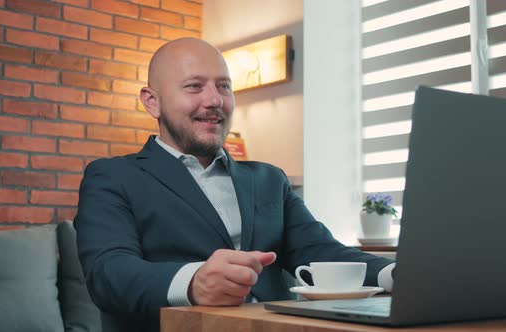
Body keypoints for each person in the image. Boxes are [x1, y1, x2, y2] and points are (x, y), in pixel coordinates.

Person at [75, 37, 395, 332]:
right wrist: (192, 282)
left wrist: (394, 274)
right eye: (194, 86)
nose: (215, 100)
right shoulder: (112, 176)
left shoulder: (269, 178)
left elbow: (319, 250)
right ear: (152, 102)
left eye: (224, 87)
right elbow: (108, 273)